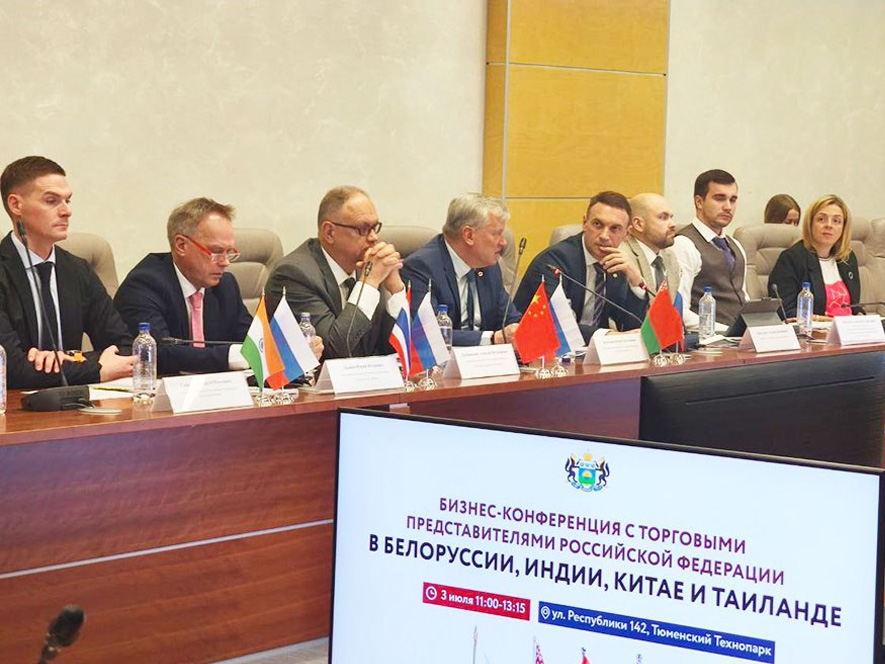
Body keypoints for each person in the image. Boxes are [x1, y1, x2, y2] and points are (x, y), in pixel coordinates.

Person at [115, 198, 322, 375]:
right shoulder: (144, 285)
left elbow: (254, 340)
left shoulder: (225, 286)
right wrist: (237, 356)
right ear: (181, 245)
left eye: (229, 252)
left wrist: (293, 348)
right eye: (215, 252)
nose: (225, 262)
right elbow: (158, 353)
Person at [0, 156, 135, 389]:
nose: (66, 211)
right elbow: (10, 368)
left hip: (74, 402)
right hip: (13, 406)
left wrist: (69, 359)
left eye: (68, 200)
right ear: (16, 205)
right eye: (51, 201)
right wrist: (96, 368)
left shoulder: (78, 269)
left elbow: (124, 348)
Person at [266, 186, 405, 359]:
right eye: (362, 228)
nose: (373, 238)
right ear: (329, 232)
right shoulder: (294, 275)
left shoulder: (368, 265)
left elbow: (398, 350)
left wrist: (396, 289)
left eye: (374, 227)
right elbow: (334, 351)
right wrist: (368, 284)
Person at [513, 191, 648, 342]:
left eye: (615, 228)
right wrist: (609, 336)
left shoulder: (616, 263)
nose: (604, 236)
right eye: (598, 224)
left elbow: (632, 326)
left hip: (592, 351)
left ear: (627, 234)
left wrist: (636, 281)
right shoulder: (554, 262)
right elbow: (558, 326)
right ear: (585, 223)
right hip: (540, 348)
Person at [401, 193, 520, 346]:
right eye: (496, 234)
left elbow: (509, 319)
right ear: (468, 235)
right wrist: (492, 339)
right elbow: (427, 333)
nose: (503, 243)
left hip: (487, 358)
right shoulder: (421, 267)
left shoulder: (489, 266)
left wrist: (516, 331)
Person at [673, 169, 749, 330]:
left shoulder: (736, 245)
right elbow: (680, 311)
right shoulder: (684, 244)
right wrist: (727, 331)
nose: (728, 207)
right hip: (707, 339)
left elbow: (743, 298)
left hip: (740, 337)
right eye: (719, 199)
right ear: (699, 202)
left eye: (733, 200)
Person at [768, 194, 861, 317]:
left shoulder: (847, 258)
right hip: (815, 329)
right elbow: (786, 312)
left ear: (844, 228)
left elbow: (854, 306)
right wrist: (826, 321)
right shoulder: (792, 259)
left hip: (848, 328)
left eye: (836, 221)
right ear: (810, 223)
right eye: (821, 219)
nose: (829, 225)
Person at [622, 193, 681, 301]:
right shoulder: (623, 256)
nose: (673, 224)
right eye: (663, 217)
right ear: (638, 224)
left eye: (671, 217)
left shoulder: (670, 257)